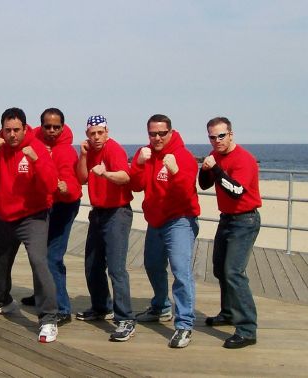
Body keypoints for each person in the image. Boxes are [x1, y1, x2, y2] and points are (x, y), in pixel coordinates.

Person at [0, 107, 59, 343]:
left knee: (38, 261)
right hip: (4, 215)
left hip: (33, 216)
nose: (12, 135)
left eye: (16, 130)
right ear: (2, 129)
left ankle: (49, 318)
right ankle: (3, 300)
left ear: (25, 128)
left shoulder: (37, 148)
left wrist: (35, 160)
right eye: (7, 130)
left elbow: (51, 184)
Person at [130, 114, 200, 348]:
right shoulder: (146, 153)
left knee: (181, 272)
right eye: (152, 133)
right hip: (156, 220)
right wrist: (138, 163)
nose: (157, 138)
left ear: (171, 132)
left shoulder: (183, 156)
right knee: (152, 265)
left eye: (162, 133)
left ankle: (184, 325)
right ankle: (161, 307)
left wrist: (175, 171)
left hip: (180, 219)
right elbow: (136, 185)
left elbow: (186, 191)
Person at [199, 117, 261, 349]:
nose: (217, 141)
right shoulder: (216, 156)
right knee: (220, 269)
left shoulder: (243, 159)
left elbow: (236, 190)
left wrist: (214, 168)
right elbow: (204, 184)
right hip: (227, 219)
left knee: (234, 272)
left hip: (245, 220)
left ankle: (247, 329)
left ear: (231, 134)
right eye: (212, 137)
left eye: (221, 136)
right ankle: (228, 313)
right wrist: (206, 169)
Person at [75, 115, 136, 342]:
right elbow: (82, 178)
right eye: (92, 133)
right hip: (98, 213)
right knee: (92, 264)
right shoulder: (89, 151)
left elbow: (124, 177)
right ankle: (101, 307)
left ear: (107, 132)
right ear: (87, 135)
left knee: (116, 269)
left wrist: (105, 173)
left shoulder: (114, 150)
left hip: (117, 213)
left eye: (100, 132)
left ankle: (125, 319)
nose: (96, 137)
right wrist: (82, 155)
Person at [19, 108, 82, 326]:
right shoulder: (34, 140)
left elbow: (74, 185)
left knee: (53, 257)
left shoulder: (66, 151)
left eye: (56, 127)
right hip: (44, 204)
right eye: (47, 126)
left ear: (62, 127)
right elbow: (14, 132)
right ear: (41, 126)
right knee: (38, 254)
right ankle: (42, 296)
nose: (52, 131)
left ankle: (62, 308)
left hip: (64, 205)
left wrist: (65, 189)